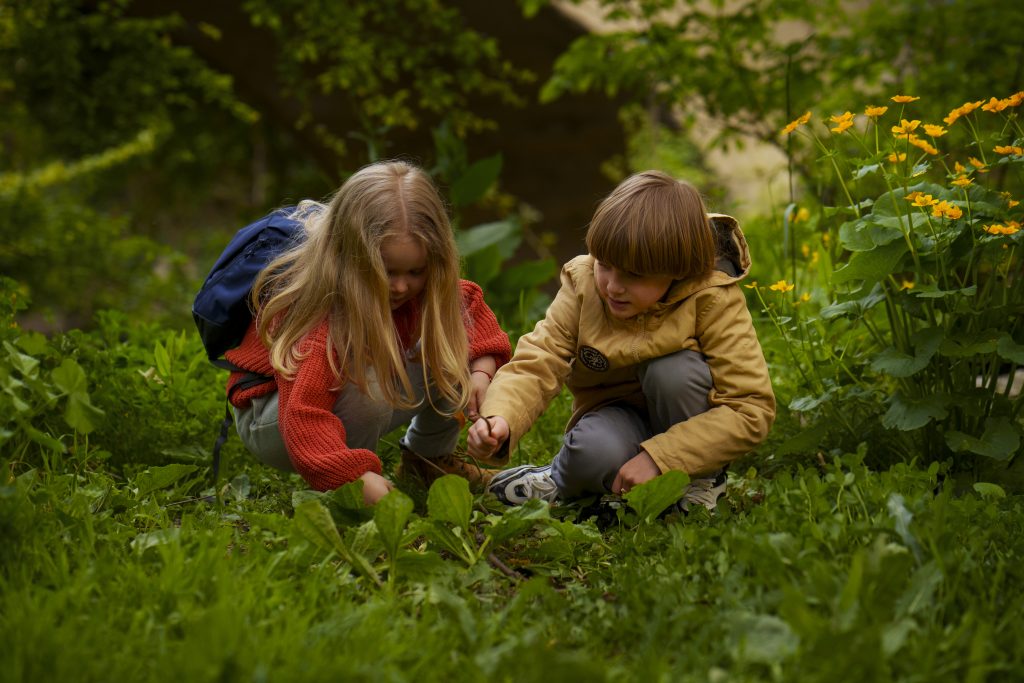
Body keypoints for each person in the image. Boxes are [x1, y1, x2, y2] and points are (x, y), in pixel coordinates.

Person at [467, 170, 775, 512]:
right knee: (591, 454)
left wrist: (662, 459)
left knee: (672, 371)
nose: (613, 286)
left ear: (679, 268)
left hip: (690, 421)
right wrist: (501, 418)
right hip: (616, 415)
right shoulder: (583, 284)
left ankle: (701, 481)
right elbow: (540, 358)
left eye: (634, 275)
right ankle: (558, 477)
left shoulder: (713, 296)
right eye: (606, 265)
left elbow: (749, 408)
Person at [225, 160, 511, 505]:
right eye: (386, 271)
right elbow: (304, 416)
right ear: (351, 257)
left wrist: (481, 371)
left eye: (416, 271)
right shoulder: (324, 318)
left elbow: (471, 312)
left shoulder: (426, 287)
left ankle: (427, 460)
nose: (402, 286)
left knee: (450, 346)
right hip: (277, 419)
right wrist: (355, 478)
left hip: (334, 393)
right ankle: (349, 490)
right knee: (368, 390)